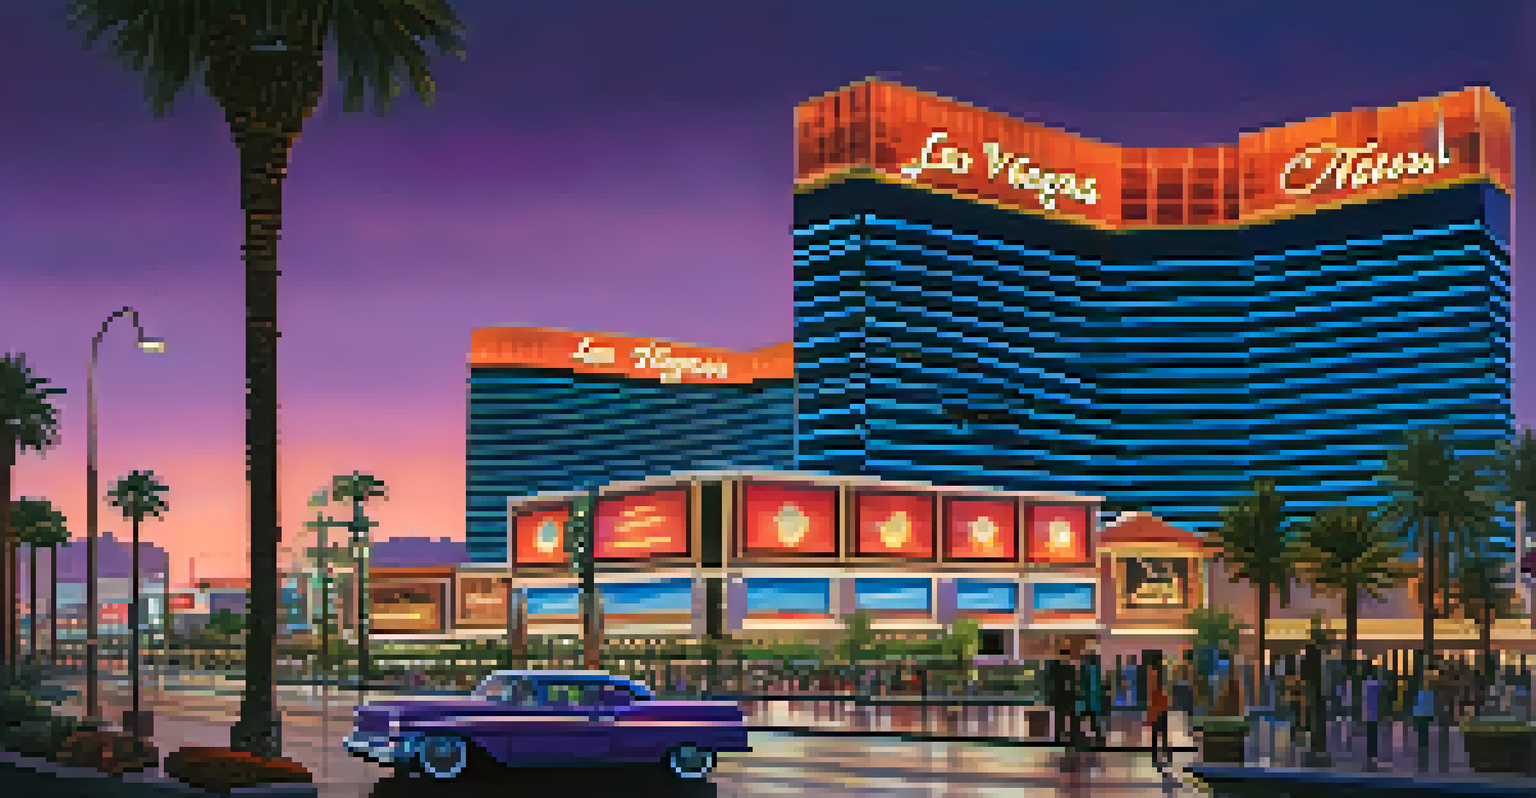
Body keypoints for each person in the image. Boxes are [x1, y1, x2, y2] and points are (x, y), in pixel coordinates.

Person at [1146, 656, 1170, 767]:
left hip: (1156, 708)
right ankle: (1165, 756)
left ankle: (1156, 757)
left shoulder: (1151, 675)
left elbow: (1150, 694)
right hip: (1161, 707)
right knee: (1162, 733)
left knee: (1156, 734)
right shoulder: (1159, 676)